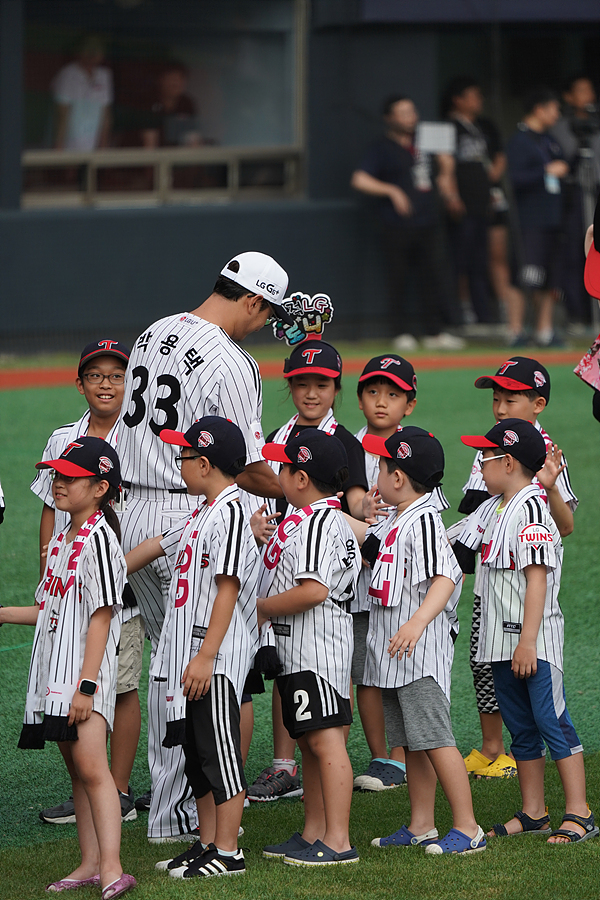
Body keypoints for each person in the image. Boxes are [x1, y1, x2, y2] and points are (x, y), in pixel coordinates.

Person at [117, 250, 290, 842]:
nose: (263, 325)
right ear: (253, 301)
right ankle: (189, 815)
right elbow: (247, 465)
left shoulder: (153, 331)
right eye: (266, 314)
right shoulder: (234, 361)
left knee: (168, 663)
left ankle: (172, 814)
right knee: (198, 668)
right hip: (187, 512)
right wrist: (306, 493)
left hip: (132, 511)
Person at [0, 438, 136, 899]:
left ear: (100, 488)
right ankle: (90, 862)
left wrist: (87, 686)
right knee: (78, 771)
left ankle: (113, 868)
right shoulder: (62, 538)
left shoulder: (100, 540)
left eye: (70, 477)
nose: (58, 483)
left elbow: (101, 616)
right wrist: (4, 613)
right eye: (57, 474)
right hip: (55, 678)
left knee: (94, 770)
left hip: (81, 678)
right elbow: (49, 610)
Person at [125, 418, 259, 878]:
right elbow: (155, 546)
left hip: (213, 659)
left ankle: (229, 852)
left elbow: (227, 589)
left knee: (220, 756)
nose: (177, 462)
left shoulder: (232, 513)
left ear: (204, 464)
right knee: (199, 758)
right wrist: (104, 569)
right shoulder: (203, 513)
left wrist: (205, 655)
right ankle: (208, 842)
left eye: (183, 456)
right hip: (190, 655)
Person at [458, 419, 597, 845]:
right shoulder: (491, 507)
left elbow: (537, 580)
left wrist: (528, 642)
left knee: (552, 721)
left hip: (532, 642)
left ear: (509, 462)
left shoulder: (533, 509)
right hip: (499, 643)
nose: (479, 464)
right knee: (521, 727)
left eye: (485, 457)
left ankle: (580, 812)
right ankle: (534, 812)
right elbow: (450, 544)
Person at [346, 426, 484, 854]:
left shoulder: (423, 520)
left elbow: (446, 577)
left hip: (418, 656)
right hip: (395, 657)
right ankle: (421, 824)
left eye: (381, 467)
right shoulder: (400, 515)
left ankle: (469, 828)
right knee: (413, 743)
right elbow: (366, 541)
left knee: (437, 740)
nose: (376, 474)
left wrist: (418, 622)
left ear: (398, 477)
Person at [246, 338, 369, 803]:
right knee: (286, 675)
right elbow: (261, 493)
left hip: (316, 577)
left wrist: (359, 515)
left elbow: (352, 500)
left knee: (323, 720)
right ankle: (287, 767)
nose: (311, 393)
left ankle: (329, 813)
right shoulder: (277, 437)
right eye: (301, 384)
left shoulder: (343, 443)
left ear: (337, 388)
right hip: (282, 562)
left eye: (322, 384)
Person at [30, 340, 144, 826]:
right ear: (80, 383)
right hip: (67, 575)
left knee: (121, 683)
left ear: (130, 383)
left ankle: (117, 789)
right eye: (95, 375)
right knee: (63, 685)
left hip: (122, 574)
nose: (106, 384)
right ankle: (87, 785)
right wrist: (47, 574)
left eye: (116, 375)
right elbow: (48, 507)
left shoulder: (142, 436)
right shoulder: (63, 438)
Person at [457, 356, 577, 779]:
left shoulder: (543, 454)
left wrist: (550, 487)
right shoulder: (492, 448)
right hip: (492, 578)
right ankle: (494, 746)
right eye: (496, 399)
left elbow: (566, 525)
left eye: (511, 399)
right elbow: (473, 510)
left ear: (538, 403)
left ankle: (516, 755)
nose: (500, 407)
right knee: (484, 663)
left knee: (536, 691)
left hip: (526, 584)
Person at [256, 430, 361, 866]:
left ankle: (338, 840)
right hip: (301, 648)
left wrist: (260, 609)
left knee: (326, 742)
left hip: (316, 648)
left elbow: (314, 590)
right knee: (310, 743)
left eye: (283, 467)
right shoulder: (312, 518)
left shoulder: (318, 522)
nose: (277, 473)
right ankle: (313, 831)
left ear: (301, 478)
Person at [351, 354, 448, 792]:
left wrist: (420, 619)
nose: (380, 401)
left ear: (409, 404)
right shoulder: (349, 445)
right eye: (372, 391)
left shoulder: (420, 457)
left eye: (392, 394)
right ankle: (386, 761)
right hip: (369, 594)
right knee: (369, 674)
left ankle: (404, 760)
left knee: (421, 714)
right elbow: (365, 534)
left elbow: (440, 562)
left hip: (409, 609)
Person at [350, 94, 464, 351]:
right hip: (396, 225)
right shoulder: (381, 148)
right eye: (403, 113)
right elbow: (359, 179)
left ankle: (434, 332)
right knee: (398, 279)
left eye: (412, 112)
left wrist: (447, 169)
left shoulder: (426, 142)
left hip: (428, 221)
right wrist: (392, 191)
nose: (410, 118)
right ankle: (400, 332)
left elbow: (443, 180)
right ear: (389, 118)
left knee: (432, 277)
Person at [506, 88, 569, 347]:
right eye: (553, 109)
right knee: (524, 276)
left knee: (550, 278)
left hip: (553, 217)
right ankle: (515, 330)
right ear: (539, 109)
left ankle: (545, 330)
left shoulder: (550, 140)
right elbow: (514, 179)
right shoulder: (519, 141)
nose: (557, 115)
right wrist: (546, 171)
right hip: (529, 219)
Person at [441, 76, 499, 326]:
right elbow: (443, 166)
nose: (479, 100)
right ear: (458, 100)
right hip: (460, 205)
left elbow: (495, 160)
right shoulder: (447, 127)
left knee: (479, 262)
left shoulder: (481, 127)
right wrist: (451, 195)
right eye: (473, 96)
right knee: (459, 262)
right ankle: (456, 314)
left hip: (481, 203)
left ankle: (483, 315)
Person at [551, 74, 600, 333]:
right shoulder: (560, 127)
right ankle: (577, 314)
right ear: (569, 97)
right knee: (573, 254)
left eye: (589, 90)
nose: (587, 96)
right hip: (572, 195)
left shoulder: (597, 123)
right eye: (581, 91)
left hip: (596, 189)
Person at [52, 35, 112, 151]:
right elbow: (62, 115)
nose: (92, 56)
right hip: (70, 142)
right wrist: (59, 144)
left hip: (94, 142)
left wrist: (104, 144)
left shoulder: (104, 75)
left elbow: (106, 113)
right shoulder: (67, 74)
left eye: (96, 51)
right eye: (89, 51)